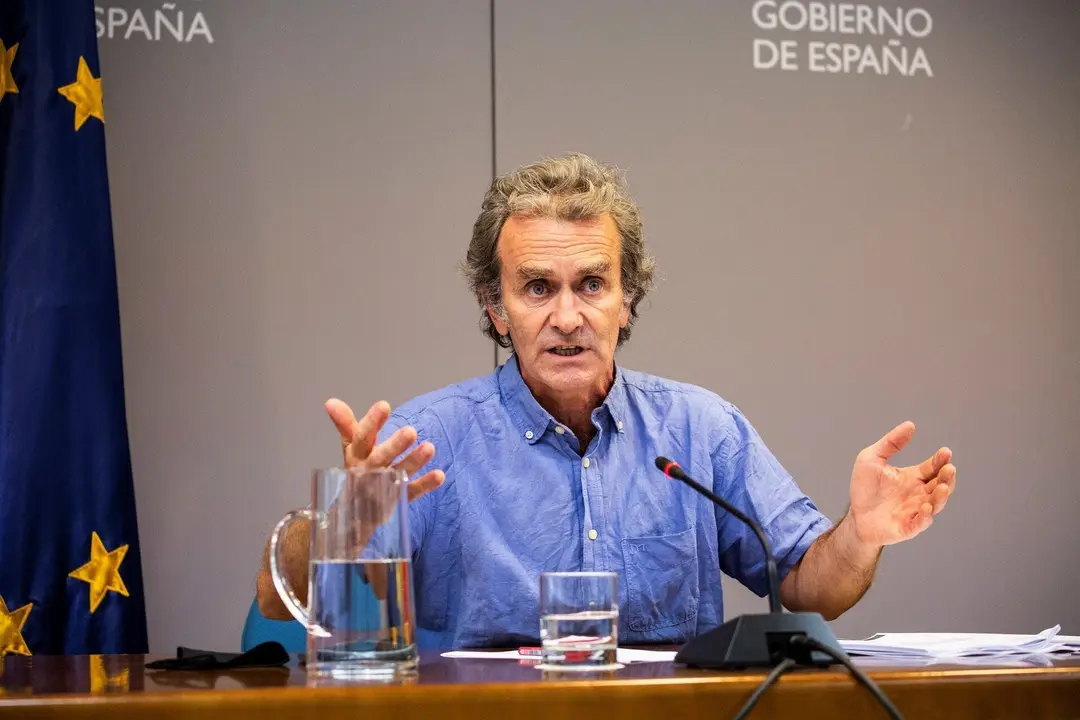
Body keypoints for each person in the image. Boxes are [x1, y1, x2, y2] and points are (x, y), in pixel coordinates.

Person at [256, 152, 956, 649]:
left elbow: (811, 587)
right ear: (497, 309)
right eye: (537, 288)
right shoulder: (425, 440)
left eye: (591, 284)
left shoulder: (699, 428)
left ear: (627, 301)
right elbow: (272, 601)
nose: (567, 315)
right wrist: (342, 520)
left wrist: (862, 534)